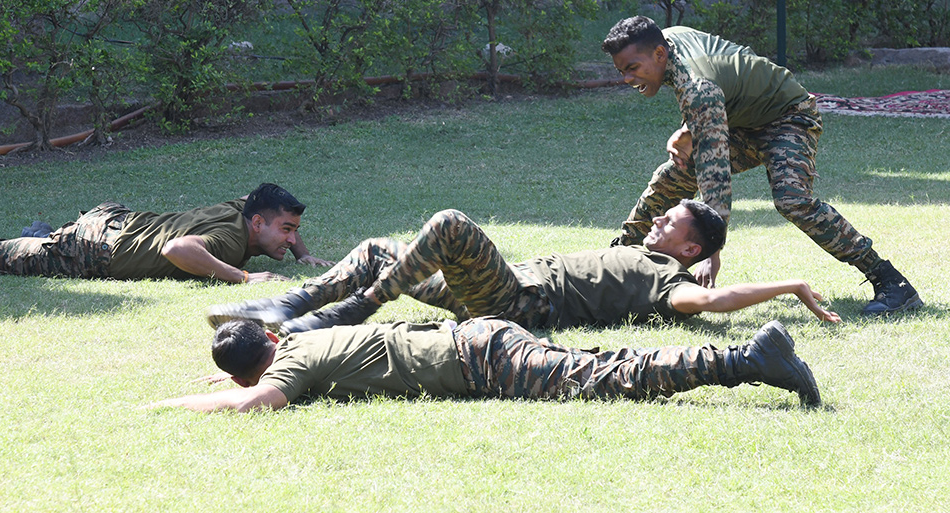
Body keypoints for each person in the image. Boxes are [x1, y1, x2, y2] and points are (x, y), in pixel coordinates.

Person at [602, 16, 920, 316]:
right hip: (743, 121)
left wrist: (713, 253)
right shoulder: (668, 39)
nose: (627, 79)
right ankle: (620, 258)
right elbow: (721, 79)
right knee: (674, 175)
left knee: (792, 201)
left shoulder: (697, 86)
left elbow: (716, 177)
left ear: (660, 53)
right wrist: (690, 129)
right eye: (621, 71)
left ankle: (892, 282)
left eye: (632, 68)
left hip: (788, 117)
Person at [206, 204, 839, 336]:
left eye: (672, 223)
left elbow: (707, 301)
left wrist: (791, 285)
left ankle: (355, 309)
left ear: (690, 249)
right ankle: (286, 309)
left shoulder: (665, 279)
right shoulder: (659, 253)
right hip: (491, 288)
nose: (659, 221)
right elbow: (705, 261)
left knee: (451, 224)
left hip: (516, 305)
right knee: (377, 247)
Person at [149, 317, 821, 412]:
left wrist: (165, 405)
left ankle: (746, 358)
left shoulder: (283, 373)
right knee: (605, 365)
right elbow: (264, 376)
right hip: (481, 338)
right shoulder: (298, 341)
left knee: (612, 378)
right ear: (268, 333)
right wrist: (237, 372)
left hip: (480, 363)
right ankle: (746, 357)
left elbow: (252, 402)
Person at [0, 182, 333, 280]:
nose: (290, 239)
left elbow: (264, 198)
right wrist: (241, 279)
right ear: (257, 223)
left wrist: (302, 250)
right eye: (286, 231)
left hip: (111, 219)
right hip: (93, 250)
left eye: (295, 233)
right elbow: (182, 249)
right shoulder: (226, 241)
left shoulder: (243, 210)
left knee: (29, 245)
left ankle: (39, 235)